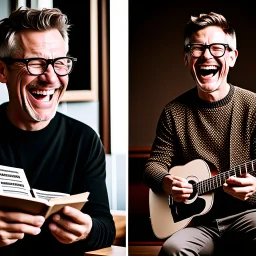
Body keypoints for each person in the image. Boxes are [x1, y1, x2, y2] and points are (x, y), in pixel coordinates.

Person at [0, 6, 115, 256]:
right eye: (36, 63)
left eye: (60, 63)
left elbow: (106, 227)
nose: (51, 78)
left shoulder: (84, 140)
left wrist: (87, 230)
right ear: (2, 71)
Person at [144, 11, 256, 256]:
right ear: (186, 58)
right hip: (198, 224)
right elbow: (153, 165)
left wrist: (255, 188)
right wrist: (167, 181)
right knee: (173, 249)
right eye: (197, 48)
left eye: (217, 47)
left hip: (249, 216)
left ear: (232, 56)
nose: (206, 55)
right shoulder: (173, 112)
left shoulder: (253, 107)